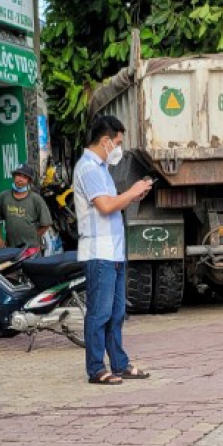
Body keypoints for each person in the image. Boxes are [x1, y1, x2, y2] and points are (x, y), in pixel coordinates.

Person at [74, 115, 153, 385]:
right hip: (99, 253)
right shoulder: (88, 169)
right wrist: (132, 192)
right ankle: (96, 368)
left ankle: (119, 363)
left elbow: (112, 203)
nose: (119, 147)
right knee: (99, 314)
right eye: (117, 142)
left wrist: (133, 195)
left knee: (117, 313)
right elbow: (106, 206)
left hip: (114, 252)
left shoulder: (102, 168)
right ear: (106, 141)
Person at [0, 164, 52, 248]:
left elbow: (46, 223)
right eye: (18, 175)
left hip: (31, 249)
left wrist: (33, 238)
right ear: (14, 177)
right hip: (10, 248)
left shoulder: (36, 199)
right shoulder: (4, 196)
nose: (20, 179)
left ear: (29, 181)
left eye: (25, 177)